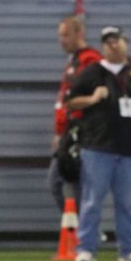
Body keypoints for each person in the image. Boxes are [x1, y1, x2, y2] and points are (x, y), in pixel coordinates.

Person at [67, 26, 131, 261]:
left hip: (129, 149)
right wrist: (92, 98)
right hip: (97, 148)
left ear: (125, 43)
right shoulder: (92, 73)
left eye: (116, 40)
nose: (112, 45)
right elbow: (70, 102)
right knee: (91, 201)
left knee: (127, 203)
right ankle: (86, 249)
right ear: (102, 47)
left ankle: (129, 249)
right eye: (107, 42)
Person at [49, 17, 102, 211]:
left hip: (82, 133)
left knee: (77, 186)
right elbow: (64, 100)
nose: (61, 40)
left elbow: (93, 98)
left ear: (79, 34)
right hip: (68, 133)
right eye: (60, 35)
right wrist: (59, 131)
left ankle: (86, 233)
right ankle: (80, 230)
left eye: (65, 35)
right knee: (58, 182)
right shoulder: (73, 61)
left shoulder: (90, 60)